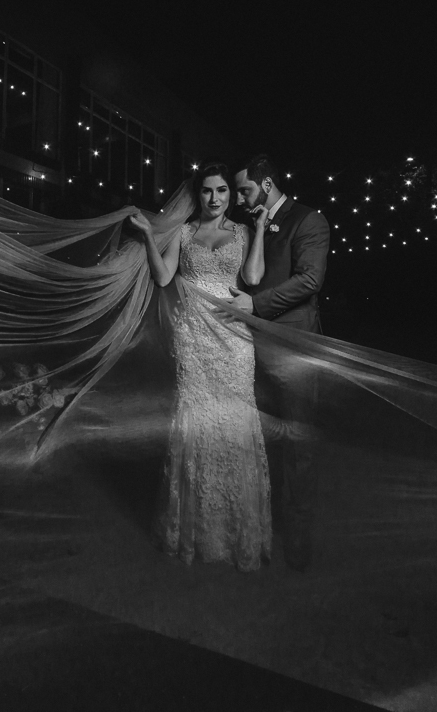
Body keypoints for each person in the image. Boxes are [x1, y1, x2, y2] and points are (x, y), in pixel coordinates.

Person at [127, 163, 272, 571]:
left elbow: (253, 277)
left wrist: (260, 230)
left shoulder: (242, 232)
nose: (215, 198)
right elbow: (163, 278)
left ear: (230, 194)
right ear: (198, 194)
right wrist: (148, 236)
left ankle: (239, 531)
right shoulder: (184, 232)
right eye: (207, 191)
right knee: (196, 420)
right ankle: (194, 531)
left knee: (235, 420)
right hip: (192, 337)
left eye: (222, 190)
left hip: (233, 339)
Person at [229, 154, 330, 571]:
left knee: (298, 443)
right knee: (263, 438)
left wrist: (255, 305)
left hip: (294, 348)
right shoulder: (249, 224)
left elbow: (310, 280)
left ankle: (298, 540)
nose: (238, 199)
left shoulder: (308, 220)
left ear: (267, 185)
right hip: (251, 347)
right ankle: (264, 527)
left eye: (245, 190)